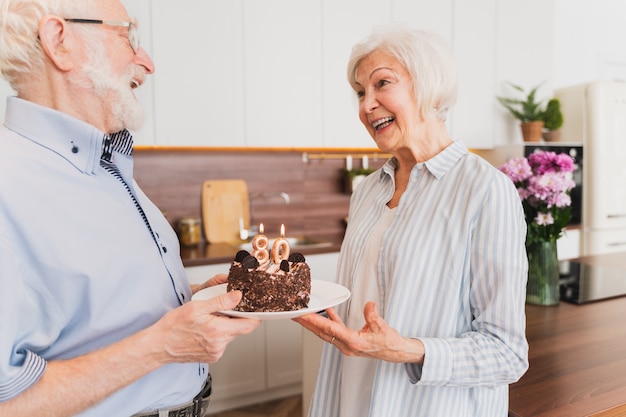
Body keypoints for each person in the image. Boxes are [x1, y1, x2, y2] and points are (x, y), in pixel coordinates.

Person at [0, 0, 260, 416]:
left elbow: (89, 311)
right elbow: (7, 402)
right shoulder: (8, 184)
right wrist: (164, 344)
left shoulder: (107, 164)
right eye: (127, 35)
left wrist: (188, 301)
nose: (148, 63)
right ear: (59, 41)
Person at [295, 24, 529, 417]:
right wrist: (317, 309)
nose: (366, 105)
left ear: (428, 87)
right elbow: (364, 303)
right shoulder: (368, 190)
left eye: (381, 83)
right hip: (350, 397)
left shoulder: (485, 190)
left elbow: (506, 353)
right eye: (359, 92)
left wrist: (405, 350)